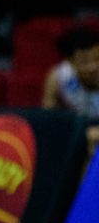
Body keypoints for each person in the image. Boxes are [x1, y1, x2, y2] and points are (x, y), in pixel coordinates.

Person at [42, 25, 99, 163]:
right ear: (70, 62)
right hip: (78, 132)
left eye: (97, 59)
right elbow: (48, 120)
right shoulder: (58, 77)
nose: (93, 67)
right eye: (85, 62)